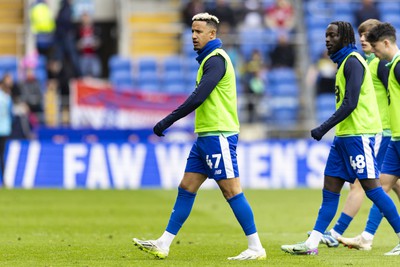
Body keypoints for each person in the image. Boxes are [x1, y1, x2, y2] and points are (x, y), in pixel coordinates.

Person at [132, 12, 266, 261]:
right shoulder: (207, 60)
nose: (193, 36)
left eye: (198, 32)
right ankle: (164, 243)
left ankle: (256, 247)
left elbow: (198, 97)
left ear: (212, 34)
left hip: (219, 135)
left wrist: (168, 120)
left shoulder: (216, 60)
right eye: (192, 31)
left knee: (232, 191)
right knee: (186, 187)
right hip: (205, 136)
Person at [280, 21, 400, 256]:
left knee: (374, 190)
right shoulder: (344, 62)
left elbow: (351, 102)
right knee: (330, 189)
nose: (327, 39)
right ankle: (312, 243)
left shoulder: (354, 62)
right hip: (343, 137)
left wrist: (322, 128)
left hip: (360, 136)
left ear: (344, 37)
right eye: (326, 35)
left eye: (332, 35)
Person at [314, 19, 400, 249]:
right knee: (384, 184)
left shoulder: (381, 65)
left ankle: (345, 233)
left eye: (368, 35)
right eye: (360, 34)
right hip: (378, 132)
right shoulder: (368, 62)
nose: (363, 38)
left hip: (378, 131)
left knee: (373, 186)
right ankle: (362, 236)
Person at [339, 22, 400, 256]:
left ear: (385, 43)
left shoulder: (394, 67)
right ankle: (367, 237)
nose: (372, 51)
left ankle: (364, 236)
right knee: (381, 187)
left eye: (375, 46)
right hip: (394, 137)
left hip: (393, 135)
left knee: (381, 187)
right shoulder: (390, 64)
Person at [0, 74, 13, 185]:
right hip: (5, 129)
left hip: (3, 129)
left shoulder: (6, 97)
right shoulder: (7, 98)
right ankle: (4, 180)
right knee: (2, 155)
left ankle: (4, 180)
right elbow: (10, 114)